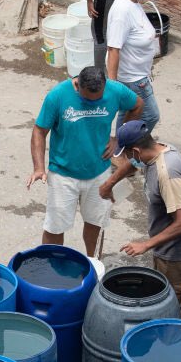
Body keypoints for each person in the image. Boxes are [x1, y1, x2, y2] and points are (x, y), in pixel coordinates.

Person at [27, 66, 142, 257]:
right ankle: (52, 265)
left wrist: (119, 138)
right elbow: (39, 131)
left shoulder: (115, 90)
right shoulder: (58, 95)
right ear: (78, 85)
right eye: (87, 99)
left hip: (99, 172)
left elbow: (137, 105)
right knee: (55, 226)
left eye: (97, 99)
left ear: (104, 86)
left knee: (95, 221)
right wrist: (39, 167)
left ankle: (92, 261)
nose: (92, 103)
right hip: (63, 174)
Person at [105, 120, 181, 313]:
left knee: (177, 309)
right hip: (167, 250)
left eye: (126, 154)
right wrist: (110, 183)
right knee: (166, 297)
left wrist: (146, 244)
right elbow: (131, 165)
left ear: (135, 151)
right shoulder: (156, 151)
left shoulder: (168, 173)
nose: (126, 159)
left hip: (179, 256)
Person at [106, 0, 160, 131]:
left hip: (139, 73)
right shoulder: (122, 12)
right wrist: (113, 85)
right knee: (151, 115)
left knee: (127, 114)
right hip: (133, 79)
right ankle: (129, 146)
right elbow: (113, 49)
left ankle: (120, 149)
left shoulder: (133, 1)